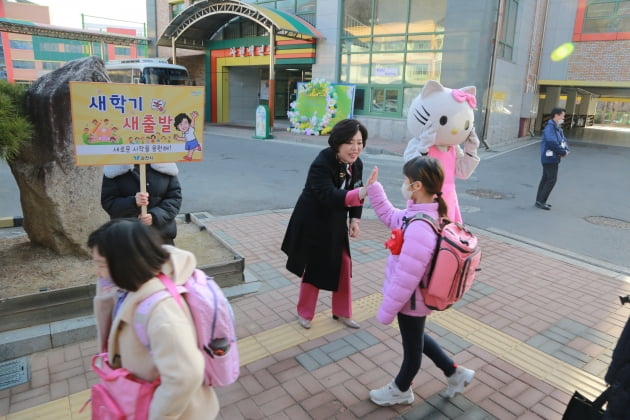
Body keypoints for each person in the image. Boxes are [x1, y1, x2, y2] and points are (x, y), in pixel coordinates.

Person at [364, 157, 475, 406]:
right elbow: (392, 216)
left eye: (406, 180)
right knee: (417, 339)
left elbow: (406, 277)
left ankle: (401, 389)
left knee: (412, 349)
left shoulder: (420, 227)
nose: (403, 184)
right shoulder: (419, 215)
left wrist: (387, 310)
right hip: (414, 299)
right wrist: (375, 189)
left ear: (416, 186)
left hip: (411, 300)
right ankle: (454, 372)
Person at [89, 218, 219, 420]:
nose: (96, 272)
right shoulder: (130, 288)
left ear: (125, 262)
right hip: (145, 397)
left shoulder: (161, 314)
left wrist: (157, 416)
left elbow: (185, 376)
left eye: (101, 264)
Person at [281, 119, 368, 330]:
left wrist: (354, 219)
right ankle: (305, 313)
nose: (356, 148)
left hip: (335, 221)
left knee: (344, 265)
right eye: (350, 142)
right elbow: (328, 194)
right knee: (314, 269)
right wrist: (359, 194)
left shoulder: (357, 164)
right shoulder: (322, 162)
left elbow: (358, 189)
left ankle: (342, 312)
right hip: (313, 221)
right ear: (337, 142)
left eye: (359, 142)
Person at [101, 163, 182, 244]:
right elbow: (109, 202)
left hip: (161, 237)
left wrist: (155, 216)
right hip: (127, 238)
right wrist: (133, 202)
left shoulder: (165, 166)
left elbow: (174, 199)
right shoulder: (114, 169)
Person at [535, 107, 569, 210]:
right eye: (562, 115)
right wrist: (562, 152)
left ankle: (539, 200)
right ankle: (541, 201)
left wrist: (566, 150)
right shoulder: (550, 127)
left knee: (545, 179)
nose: (563, 117)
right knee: (551, 180)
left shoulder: (557, 127)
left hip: (553, 157)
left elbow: (563, 140)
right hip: (549, 158)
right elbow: (552, 142)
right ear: (556, 115)